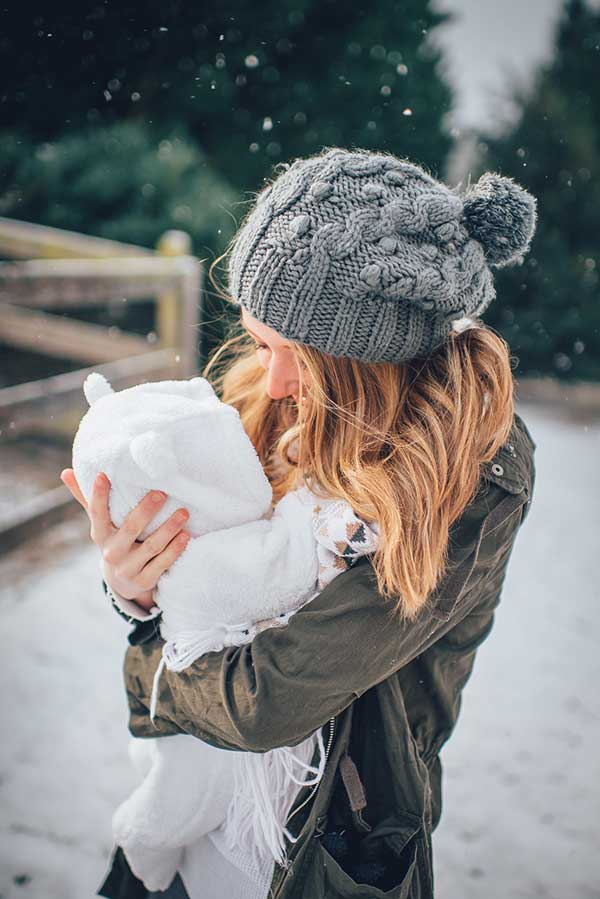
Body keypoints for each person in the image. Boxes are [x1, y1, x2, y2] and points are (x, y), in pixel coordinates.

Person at [61, 146, 538, 899]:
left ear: (367, 358)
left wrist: (149, 671)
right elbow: (205, 567)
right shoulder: (272, 390)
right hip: (186, 833)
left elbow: (267, 701)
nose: (272, 378)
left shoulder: (467, 474)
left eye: (297, 355)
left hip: (322, 858)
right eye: (259, 339)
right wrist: (134, 583)